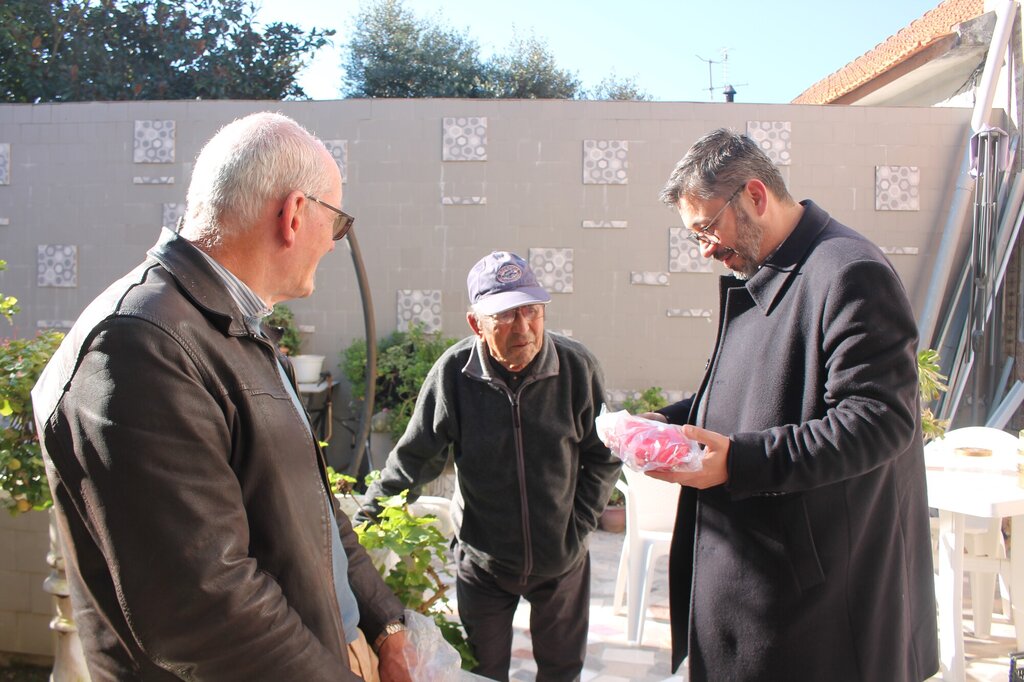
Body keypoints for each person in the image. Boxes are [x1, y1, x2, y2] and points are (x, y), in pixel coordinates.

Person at [31, 112, 412, 682]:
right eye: (336, 221)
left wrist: (384, 623)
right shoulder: (139, 342)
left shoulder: (233, 328)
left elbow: (313, 508)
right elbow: (206, 607)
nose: (334, 244)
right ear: (294, 213)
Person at [646, 128, 939, 681]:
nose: (705, 248)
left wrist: (737, 461)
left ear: (755, 195)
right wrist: (669, 422)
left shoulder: (849, 271)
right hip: (765, 589)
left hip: (818, 610)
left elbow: (878, 420)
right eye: (695, 235)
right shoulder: (772, 269)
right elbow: (755, 392)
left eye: (707, 227)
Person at [359, 251, 622, 682]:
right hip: (483, 563)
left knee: (562, 673)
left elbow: (603, 453)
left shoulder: (577, 368)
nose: (523, 328)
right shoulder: (453, 374)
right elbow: (414, 458)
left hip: (561, 562)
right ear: (475, 323)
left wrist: (578, 525)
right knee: (482, 673)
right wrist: (364, 523)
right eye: (504, 315)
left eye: (531, 311)